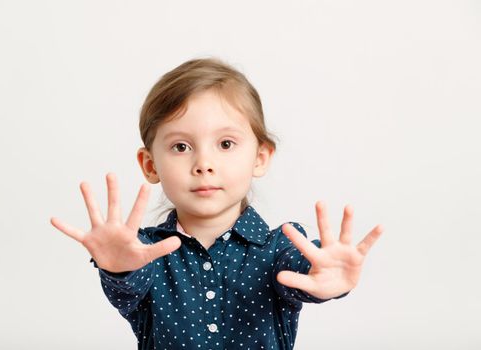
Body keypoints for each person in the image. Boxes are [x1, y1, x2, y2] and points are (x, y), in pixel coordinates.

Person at [50, 57, 384, 349]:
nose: (203, 163)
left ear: (261, 157)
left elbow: (305, 275)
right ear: (150, 165)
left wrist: (326, 276)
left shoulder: (279, 247)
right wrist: (118, 268)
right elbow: (127, 288)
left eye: (225, 143)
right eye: (181, 147)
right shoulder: (144, 252)